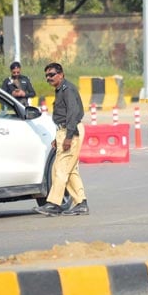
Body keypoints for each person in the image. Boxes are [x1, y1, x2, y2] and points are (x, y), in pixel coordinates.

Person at [33, 62, 89, 216]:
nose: (48, 78)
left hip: (71, 130)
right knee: (69, 171)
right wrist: (57, 137)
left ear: (61, 74)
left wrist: (69, 137)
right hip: (63, 131)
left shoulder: (67, 89)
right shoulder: (60, 90)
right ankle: (81, 203)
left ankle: (54, 204)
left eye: (51, 75)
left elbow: (72, 113)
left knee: (60, 169)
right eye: (46, 76)